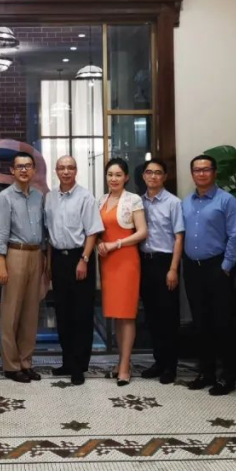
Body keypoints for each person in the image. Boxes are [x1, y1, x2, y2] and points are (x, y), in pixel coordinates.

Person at [181, 154, 236, 395]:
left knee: (222, 323)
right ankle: (206, 372)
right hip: (192, 268)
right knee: (200, 322)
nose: (201, 173)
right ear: (192, 174)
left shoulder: (227, 201)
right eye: (197, 170)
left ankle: (227, 377)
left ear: (214, 172)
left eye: (206, 169)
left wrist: (226, 266)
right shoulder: (186, 202)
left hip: (218, 267)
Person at [44, 156, 103, 386]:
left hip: (80, 258)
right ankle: (67, 361)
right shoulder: (50, 198)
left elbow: (92, 232)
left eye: (70, 167)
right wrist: (49, 264)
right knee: (63, 313)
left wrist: (84, 259)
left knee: (81, 314)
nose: (66, 171)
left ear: (76, 170)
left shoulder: (85, 197)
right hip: (58, 259)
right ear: (56, 171)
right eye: (62, 168)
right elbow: (49, 234)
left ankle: (79, 366)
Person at [0, 152, 46, 384]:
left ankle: (26, 362)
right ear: (12, 171)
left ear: (34, 170)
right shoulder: (4, 197)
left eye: (28, 166)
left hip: (36, 254)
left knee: (31, 313)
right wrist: (1, 264)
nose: (24, 170)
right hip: (14, 254)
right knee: (11, 313)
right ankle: (11, 365)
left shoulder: (38, 196)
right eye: (19, 166)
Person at [98, 158, 147, 387]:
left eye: (118, 175)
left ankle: (125, 366)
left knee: (127, 315)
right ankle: (120, 361)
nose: (114, 179)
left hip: (126, 261)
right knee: (117, 315)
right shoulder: (101, 200)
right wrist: (100, 242)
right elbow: (98, 230)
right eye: (110, 175)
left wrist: (116, 244)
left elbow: (142, 232)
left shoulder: (133, 199)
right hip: (107, 261)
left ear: (126, 177)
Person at [138, 158, 184, 385]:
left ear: (164, 176)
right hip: (145, 263)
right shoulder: (139, 202)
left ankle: (170, 366)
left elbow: (179, 238)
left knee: (168, 317)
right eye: (149, 172)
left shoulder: (173, 203)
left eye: (158, 172)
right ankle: (158, 361)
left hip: (166, 263)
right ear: (143, 176)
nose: (153, 176)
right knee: (152, 315)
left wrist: (173, 268)